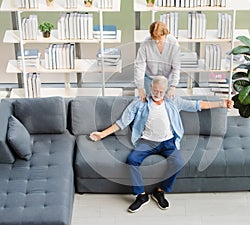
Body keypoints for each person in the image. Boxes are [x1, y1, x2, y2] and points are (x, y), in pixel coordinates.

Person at [89, 76, 233, 213]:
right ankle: (141, 195)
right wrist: (102, 134)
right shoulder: (140, 102)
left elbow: (197, 105)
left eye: (161, 91)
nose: (157, 94)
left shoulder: (173, 101)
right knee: (132, 160)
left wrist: (221, 103)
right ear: (150, 87)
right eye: (155, 90)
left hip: (168, 142)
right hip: (147, 142)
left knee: (178, 162)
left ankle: (160, 192)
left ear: (166, 90)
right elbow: (122, 121)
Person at [134, 21, 181, 102]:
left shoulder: (174, 44)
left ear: (165, 34)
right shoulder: (146, 43)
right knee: (150, 102)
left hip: (166, 80)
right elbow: (140, 66)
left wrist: (173, 86)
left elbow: (176, 68)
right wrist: (140, 88)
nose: (157, 42)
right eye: (154, 39)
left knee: (165, 103)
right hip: (150, 78)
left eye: (160, 39)